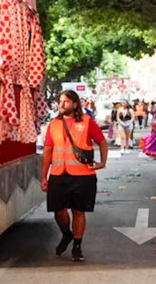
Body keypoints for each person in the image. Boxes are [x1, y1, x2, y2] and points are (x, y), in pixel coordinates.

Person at [40, 89, 107, 263]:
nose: (62, 105)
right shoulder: (54, 124)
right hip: (58, 174)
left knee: (79, 211)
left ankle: (77, 246)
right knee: (58, 211)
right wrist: (43, 176)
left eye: (66, 102)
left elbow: (102, 141)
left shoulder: (86, 121)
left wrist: (102, 162)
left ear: (75, 104)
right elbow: (47, 151)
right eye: (60, 101)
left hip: (82, 175)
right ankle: (66, 234)